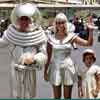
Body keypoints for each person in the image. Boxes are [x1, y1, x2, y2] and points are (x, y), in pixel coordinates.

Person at [0, 3, 47, 98]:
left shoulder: (38, 34)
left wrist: (35, 59)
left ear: (30, 20)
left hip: (29, 72)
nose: (24, 21)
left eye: (26, 19)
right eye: (22, 19)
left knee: (29, 96)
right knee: (15, 95)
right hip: (15, 72)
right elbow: (1, 44)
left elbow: (43, 54)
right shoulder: (10, 33)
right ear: (18, 20)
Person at [44, 12, 93, 99]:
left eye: (62, 22)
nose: (60, 25)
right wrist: (45, 71)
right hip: (55, 67)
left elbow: (88, 43)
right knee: (57, 97)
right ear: (55, 24)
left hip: (68, 67)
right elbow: (48, 57)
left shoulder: (71, 36)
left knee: (67, 97)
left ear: (65, 23)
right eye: (58, 22)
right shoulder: (50, 38)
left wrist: (91, 31)